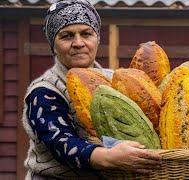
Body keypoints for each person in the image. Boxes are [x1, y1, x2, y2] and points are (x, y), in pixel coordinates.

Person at [21, 0, 161, 179]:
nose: (78, 43)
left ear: (97, 39)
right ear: (53, 45)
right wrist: (109, 157)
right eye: (66, 36)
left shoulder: (114, 80)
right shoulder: (44, 91)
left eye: (86, 34)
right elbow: (61, 142)